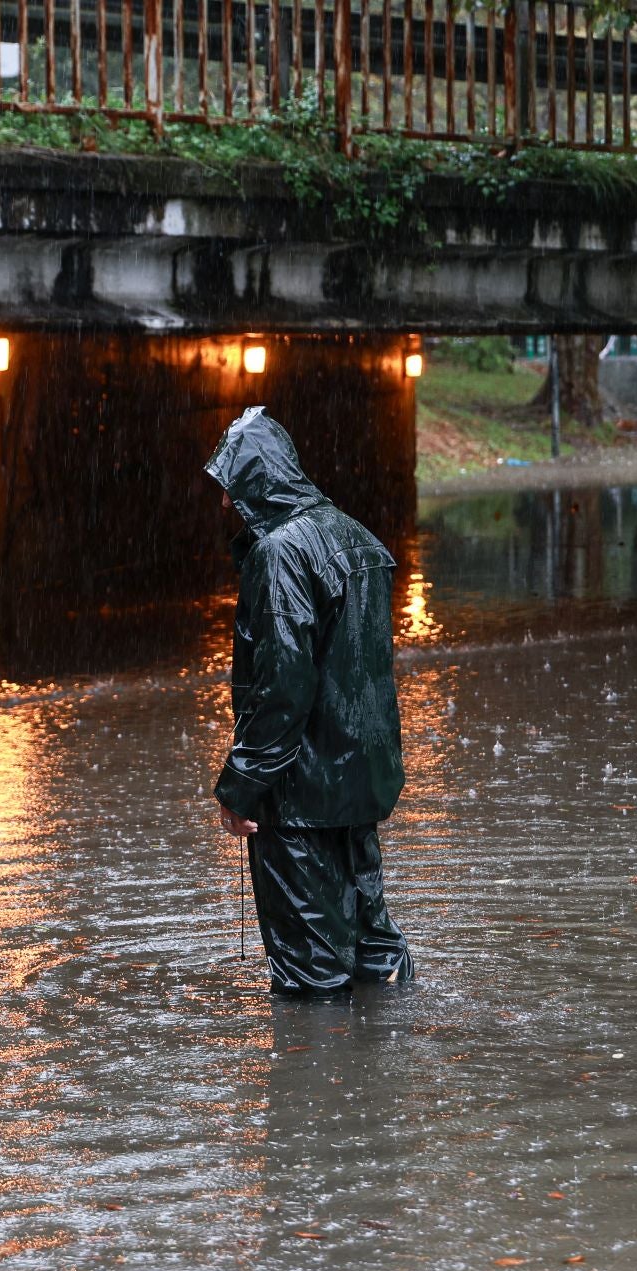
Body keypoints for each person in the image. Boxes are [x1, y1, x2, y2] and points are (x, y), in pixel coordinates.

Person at [205, 407, 415, 997]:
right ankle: (388, 1059)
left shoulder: (278, 554)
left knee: (309, 970)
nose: (224, 505)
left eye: (229, 488)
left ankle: (315, 1081)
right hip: (360, 779)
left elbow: (283, 685)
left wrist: (242, 785)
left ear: (255, 481)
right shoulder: (359, 540)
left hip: (299, 792)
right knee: (375, 946)